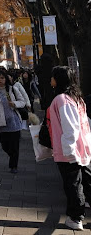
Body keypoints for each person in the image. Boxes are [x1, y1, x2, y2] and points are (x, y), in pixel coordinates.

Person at [47, 66, 91, 231]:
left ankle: (75, 217)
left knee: (73, 184)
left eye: (53, 76)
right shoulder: (76, 98)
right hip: (83, 147)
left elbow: (70, 128)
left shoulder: (62, 99)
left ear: (58, 79)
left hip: (70, 151)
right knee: (85, 182)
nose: (50, 80)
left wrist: (69, 151)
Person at [0, 69, 26, 173]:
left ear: (6, 79)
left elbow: (22, 101)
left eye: (2, 78)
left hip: (14, 121)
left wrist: (15, 104)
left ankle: (13, 166)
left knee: (15, 145)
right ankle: (12, 156)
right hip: (1, 123)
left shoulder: (12, 89)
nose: (0, 80)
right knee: (5, 145)